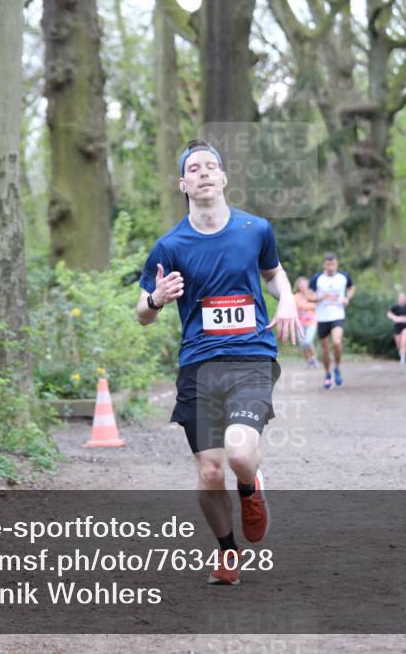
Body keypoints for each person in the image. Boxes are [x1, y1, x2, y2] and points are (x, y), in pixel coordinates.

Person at [136, 139, 299, 586]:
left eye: (212, 166)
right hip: (199, 364)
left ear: (224, 178)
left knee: (240, 452)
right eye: (195, 168)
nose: (204, 172)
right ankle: (227, 552)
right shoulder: (169, 246)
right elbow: (143, 315)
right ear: (183, 183)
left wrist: (286, 301)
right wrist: (155, 298)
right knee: (209, 471)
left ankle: (250, 489)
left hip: (251, 357)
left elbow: (274, 273)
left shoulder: (255, 229)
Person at [308, 253, 354, 388]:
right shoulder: (317, 278)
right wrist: (320, 297)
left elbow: (351, 288)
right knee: (325, 349)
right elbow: (308, 296)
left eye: (333, 264)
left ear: (337, 264)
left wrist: (347, 298)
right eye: (328, 264)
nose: (330, 267)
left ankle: (337, 368)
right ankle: (327, 374)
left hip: (337, 315)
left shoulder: (343, 277)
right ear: (324, 265)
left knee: (337, 342)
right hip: (322, 317)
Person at [294, 277, 319, 368]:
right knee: (302, 344)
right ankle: (309, 361)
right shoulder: (296, 296)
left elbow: (316, 304)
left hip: (312, 322)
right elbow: (294, 309)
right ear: (298, 286)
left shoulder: (312, 294)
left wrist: (304, 306)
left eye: (305, 283)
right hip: (300, 324)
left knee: (308, 341)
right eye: (301, 284)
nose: (303, 285)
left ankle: (314, 359)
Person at [387, 292, 406, 364]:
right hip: (397, 327)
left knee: (404, 341)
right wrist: (395, 318)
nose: (402, 300)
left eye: (404, 298)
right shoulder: (395, 307)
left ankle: (403, 358)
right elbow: (389, 314)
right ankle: (401, 353)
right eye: (401, 298)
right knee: (398, 343)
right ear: (398, 299)